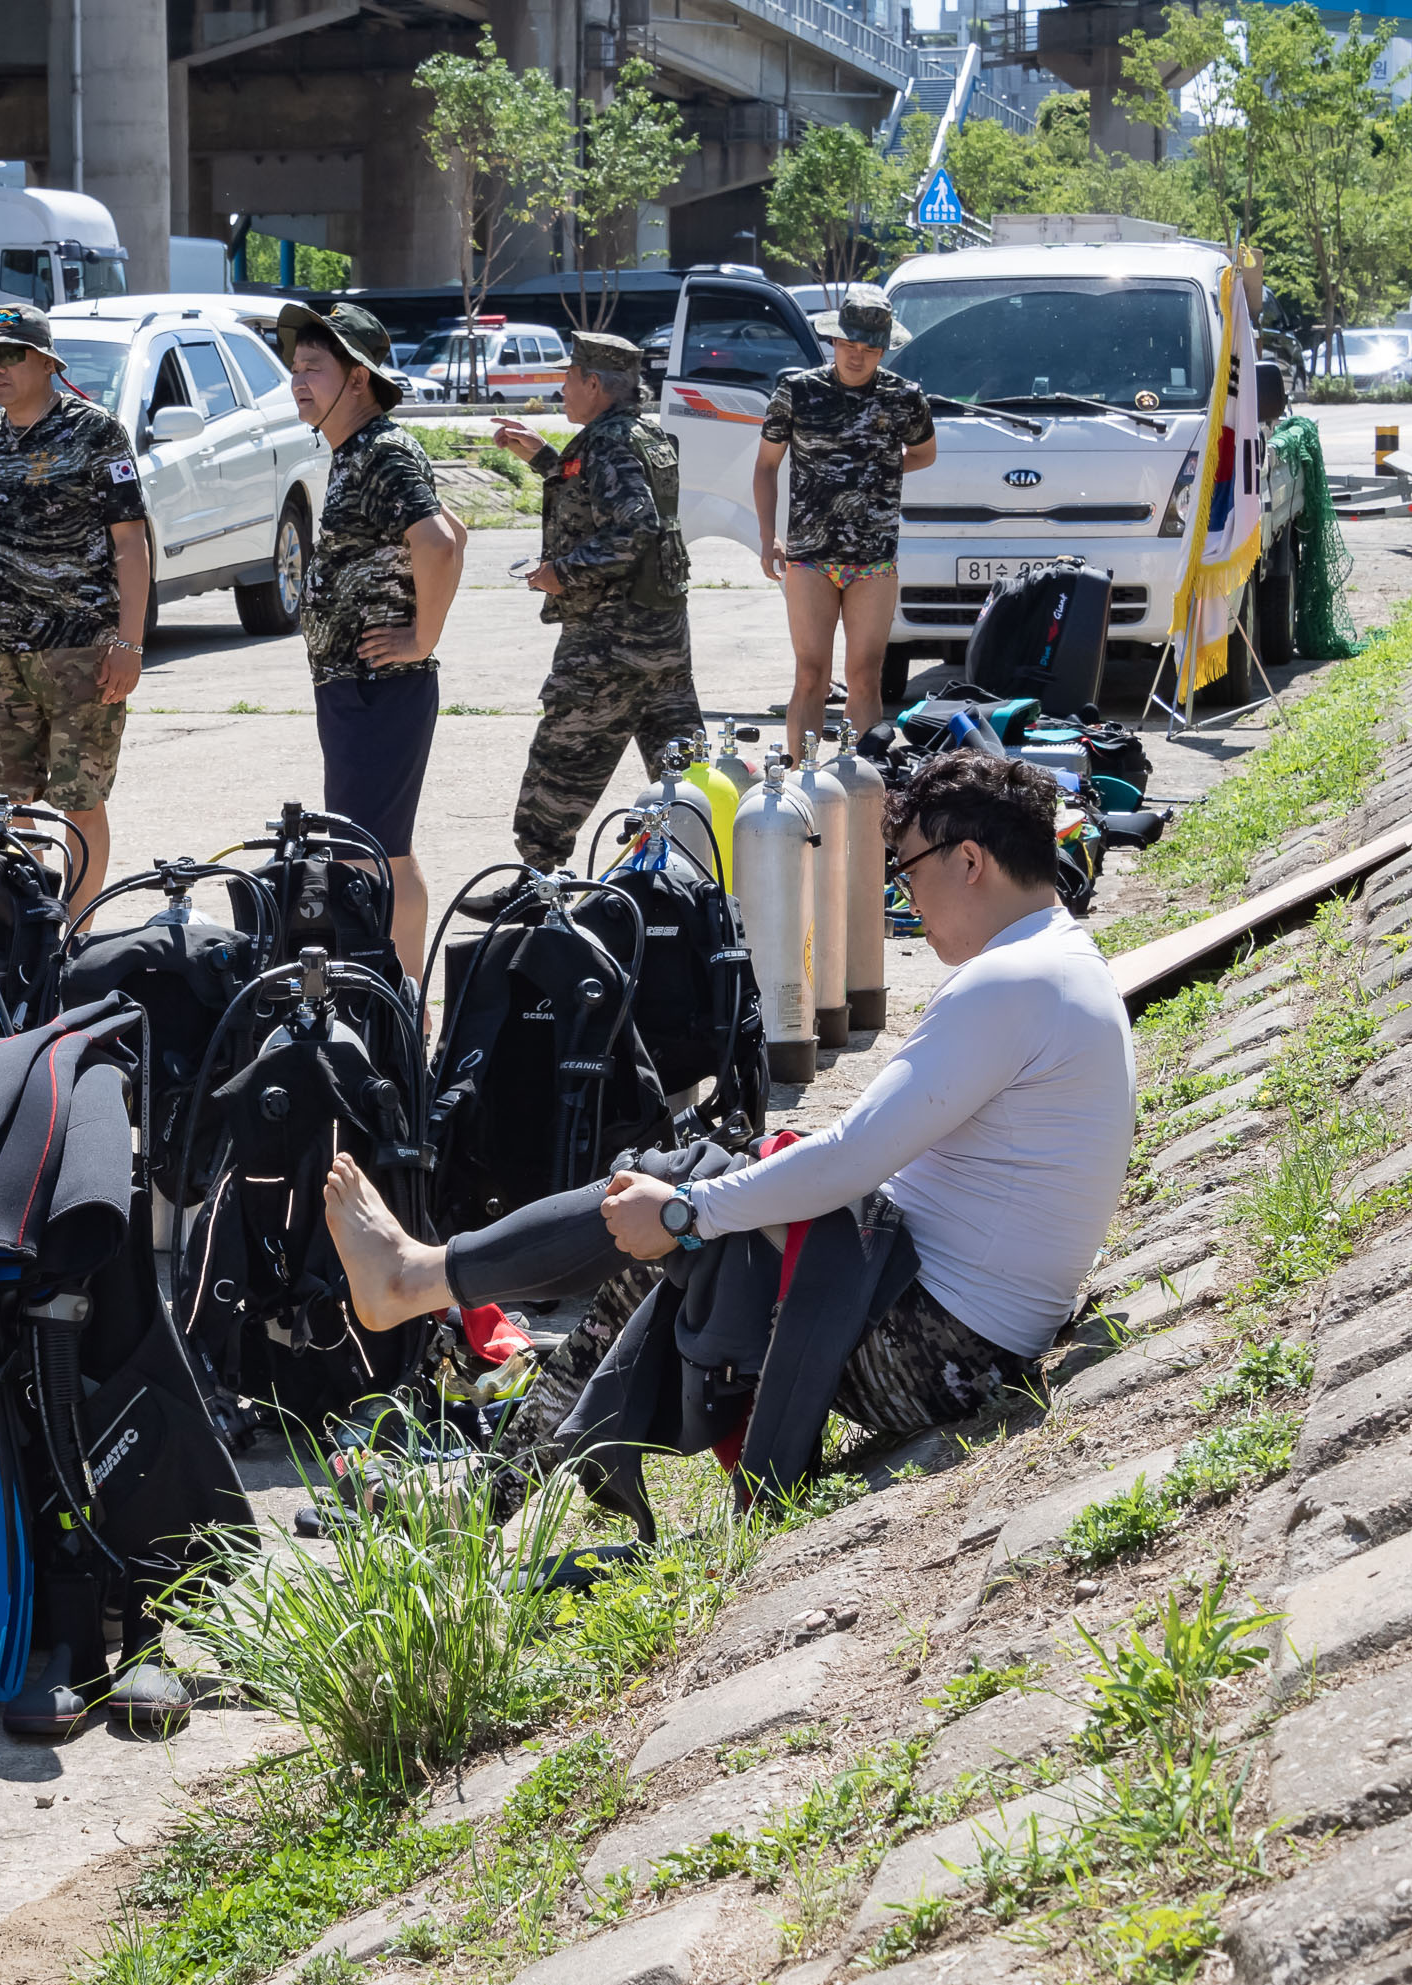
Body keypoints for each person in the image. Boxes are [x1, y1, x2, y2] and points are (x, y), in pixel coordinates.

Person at [325, 752, 1130, 1446]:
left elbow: (851, 1160)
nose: (905, 897)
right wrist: (693, 1203)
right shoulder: (1060, 959)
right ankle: (468, 1364)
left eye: (909, 869)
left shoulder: (1007, 983)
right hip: (963, 1330)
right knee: (692, 1186)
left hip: (935, 1357)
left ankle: (441, 1331)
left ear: (970, 861)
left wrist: (685, 1212)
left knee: (679, 1207)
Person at [276, 302, 466, 974]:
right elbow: (456, 531)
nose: (298, 380)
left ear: (358, 378)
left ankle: (398, 1007)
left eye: (314, 368)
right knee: (383, 850)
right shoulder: (362, 451)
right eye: (295, 368)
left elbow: (439, 545)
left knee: (366, 856)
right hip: (363, 689)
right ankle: (407, 1006)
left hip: (380, 686)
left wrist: (421, 638)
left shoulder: (381, 451)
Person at [0, 302, 151, 918]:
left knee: (80, 801)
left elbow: (130, 541)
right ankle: (34, 928)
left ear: (45, 362)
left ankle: (78, 930)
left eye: (10, 354)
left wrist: (128, 642)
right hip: (4, 656)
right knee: (7, 808)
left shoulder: (96, 432)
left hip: (84, 652)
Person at [489, 331, 701, 874]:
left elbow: (634, 528)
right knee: (686, 782)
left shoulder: (607, 442)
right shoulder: (642, 435)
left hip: (608, 647)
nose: (560, 389)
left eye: (567, 378)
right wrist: (545, 459)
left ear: (592, 383)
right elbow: (599, 497)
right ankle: (707, 883)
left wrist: (561, 572)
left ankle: (537, 885)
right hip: (662, 644)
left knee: (558, 768)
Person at [756, 287, 937, 748]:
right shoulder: (797, 392)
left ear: (884, 349)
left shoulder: (905, 397)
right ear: (834, 342)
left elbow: (923, 454)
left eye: (870, 349)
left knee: (864, 678)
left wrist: (879, 469)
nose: (858, 357)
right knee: (810, 673)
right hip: (810, 556)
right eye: (849, 345)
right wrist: (767, 537)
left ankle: (863, 789)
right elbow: (766, 466)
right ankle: (799, 785)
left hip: (873, 560)